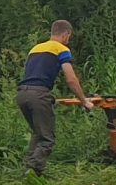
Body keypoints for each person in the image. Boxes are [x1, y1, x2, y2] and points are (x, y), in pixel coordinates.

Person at [16, 19, 92, 175]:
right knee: (47, 139)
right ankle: (32, 171)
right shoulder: (61, 49)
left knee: (38, 134)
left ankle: (30, 169)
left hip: (22, 93)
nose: (68, 40)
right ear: (66, 34)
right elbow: (71, 79)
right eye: (69, 37)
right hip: (39, 95)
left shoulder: (35, 49)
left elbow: (36, 74)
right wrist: (84, 101)